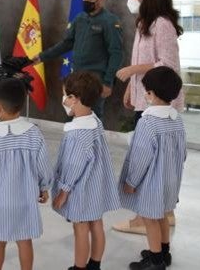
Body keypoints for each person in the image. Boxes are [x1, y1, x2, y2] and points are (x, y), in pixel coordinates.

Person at [113, 0, 184, 235]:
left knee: (150, 162)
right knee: (157, 161)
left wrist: (133, 71)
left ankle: (145, 218)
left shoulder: (162, 24)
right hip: (146, 98)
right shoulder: (146, 22)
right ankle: (165, 212)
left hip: (159, 102)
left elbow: (168, 66)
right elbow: (144, 59)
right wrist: (132, 89)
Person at [0, 78, 52, 270]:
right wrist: (43, 187)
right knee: (24, 240)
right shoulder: (33, 133)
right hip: (24, 200)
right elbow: (43, 165)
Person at [119, 66, 186, 270]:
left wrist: (131, 181)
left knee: (150, 219)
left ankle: (156, 261)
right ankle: (164, 253)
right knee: (163, 215)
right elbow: (183, 153)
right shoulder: (176, 119)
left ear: (150, 93)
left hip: (151, 184)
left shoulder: (148, 122)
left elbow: (140, 157)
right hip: (171, 181)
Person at [52, 71, 120, 270]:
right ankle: (95, 265)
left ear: (74, 99)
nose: (63, 99)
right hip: (96, 186)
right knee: (96, 224)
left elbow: (74, 166)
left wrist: (63, 192)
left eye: (65, 95)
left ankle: (79, 267)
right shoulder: (95, 121)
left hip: (80, 190)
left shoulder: (78, 133)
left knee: (80, 228)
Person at [33, 0, 123, 118]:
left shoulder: (110, 21)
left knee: (93, 117)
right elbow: (66, 43)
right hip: (76, 77)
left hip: (96, 79)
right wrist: (42, 57)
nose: (86, 2)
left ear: (101, 0)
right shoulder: (80, 18)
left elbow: (116, 53)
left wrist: (108, 82)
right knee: (72, 115)